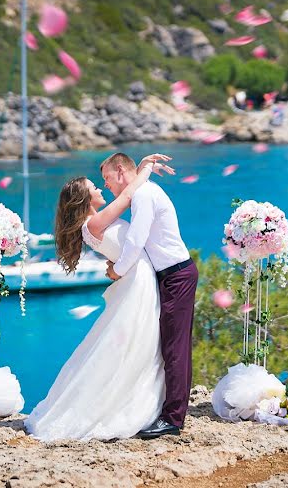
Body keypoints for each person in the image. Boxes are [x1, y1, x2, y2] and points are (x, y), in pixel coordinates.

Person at [24, 153, 173, 442]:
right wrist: (144, 168)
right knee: (135, 344)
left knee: (139, 344)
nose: (101, 189)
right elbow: (129, 194)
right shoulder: (92, 224)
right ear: (85, 199)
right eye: (95, 186)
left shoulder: (93, 225)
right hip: (136, 284)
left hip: (137, 280)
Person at [102, 152, 198, 439]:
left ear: (121, 171)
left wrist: (117, 271)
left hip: (176, 276)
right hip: (171, 275)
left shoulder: (144, 195)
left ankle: (173, 419)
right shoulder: (144, 191)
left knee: (174, 349)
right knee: (170, 346)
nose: (106, 185)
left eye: (107, 177)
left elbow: (135, 241)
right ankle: (172, 411)